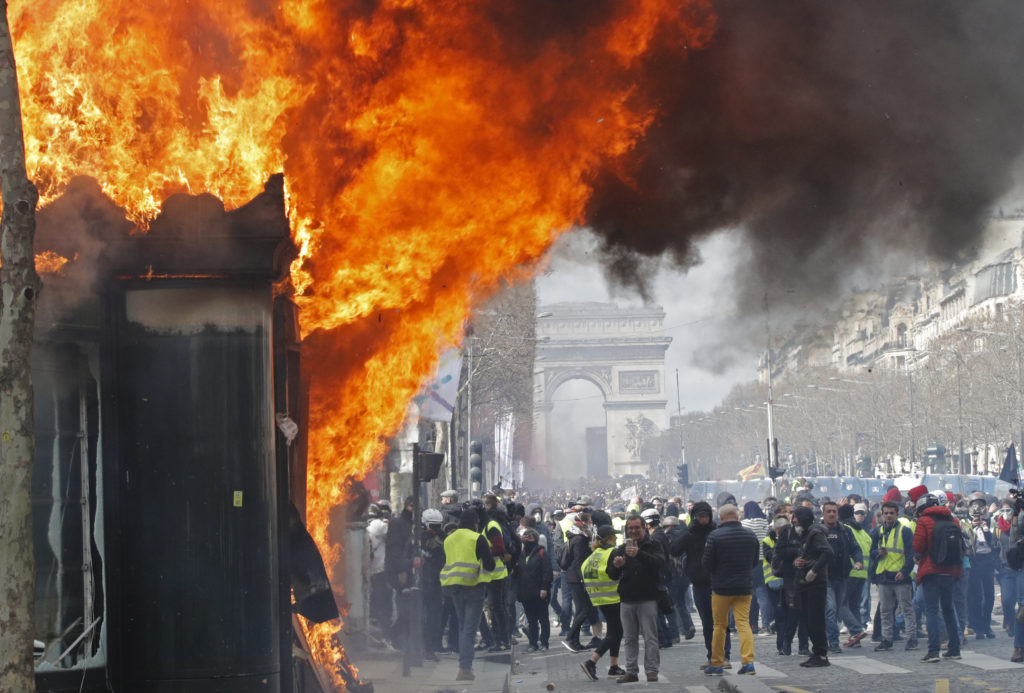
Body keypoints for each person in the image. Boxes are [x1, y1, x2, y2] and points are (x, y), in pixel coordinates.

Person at [606, 513, 666, 683]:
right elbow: (611, 574)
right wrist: (616, 567)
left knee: (650, 638)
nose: (633, 531)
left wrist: (639, 554)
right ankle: (631, 671)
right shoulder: (621, 548)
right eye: (630, 528)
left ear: (644, 527)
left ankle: (652, 671)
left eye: (636, 528)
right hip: (627, 599)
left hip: (648, 598)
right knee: (630, 638)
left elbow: (660, 563)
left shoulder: (653, 544)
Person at [701, 504, 760, 676]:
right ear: (737, 516)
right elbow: (754, 562)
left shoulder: (715, 536)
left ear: (722, 517)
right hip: (744, 587)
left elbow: (707, 563)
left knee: (719, 626)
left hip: (721, 588)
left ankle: (717, 664)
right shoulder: (750, 535)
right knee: (743, 623)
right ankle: (748, 662)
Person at [670, 501, 731, 668]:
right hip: (698, 583)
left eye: (705, 516)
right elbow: (674, 549)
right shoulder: (690, 533)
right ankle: (712, 655)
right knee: (706, 622)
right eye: (699, 516)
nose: (703, 519)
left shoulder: (716, 531)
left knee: (720, 621)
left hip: (717, 582)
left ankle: (725, 655)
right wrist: (688, 530)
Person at [440, 508, 496, 681]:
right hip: (473, 586)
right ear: (475, 522)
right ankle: (464, 668)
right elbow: (490, 564)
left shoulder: (449, 539)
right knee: (470, 628)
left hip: (453, 588)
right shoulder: (477, 538)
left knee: (463, 625)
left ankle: (464, 664)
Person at [912, 490, 963, 663]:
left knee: (932, 610)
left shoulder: (924, 521)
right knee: (949, 609)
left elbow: (918, 547)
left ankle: (933, 651)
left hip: (931, 570)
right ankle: (955, 649)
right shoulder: (953, 519)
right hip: (951, 571)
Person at [869, 500, 917, 651]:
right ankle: (886, 638)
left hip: (900, 577)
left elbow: (911, 555)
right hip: (884, 576)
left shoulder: (905, 531)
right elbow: (871, 552)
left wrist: (904, 571)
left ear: (897, 514)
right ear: (882, 515)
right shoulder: (878, 531)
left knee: (906, 609)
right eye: (886, 513)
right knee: (885, 610)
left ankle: (911, 639)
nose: (888, 516)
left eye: (891, 513)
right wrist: (878, 553)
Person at [580, 526, 626, 680]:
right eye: (614, 536)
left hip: (600, 599)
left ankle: (614, 666)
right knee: (615, 633)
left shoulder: (594, 555)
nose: (617, 539)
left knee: (614, 632)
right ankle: (591, 662)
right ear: (608, 538)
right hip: (614, 597)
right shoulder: (612, 552)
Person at [820, 500, 864, 653]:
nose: (832, 514)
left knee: (839, 609)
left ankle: (851, 632)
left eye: (834, 511)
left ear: (837, 514)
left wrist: (858, 561)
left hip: (843, 576)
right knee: (831, 609)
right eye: (829, 511)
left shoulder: (845, 530)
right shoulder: (818, 530)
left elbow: (855, 548)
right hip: (824, 578)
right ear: (823, 513)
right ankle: (833, 641)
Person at [793, 505, 834, 668]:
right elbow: (809, 554)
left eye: (795, 517)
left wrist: (814, 570)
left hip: (816, 583)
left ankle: (821, 654)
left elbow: (828, 552)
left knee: (815, 620)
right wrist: (798, 562)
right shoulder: (805, 534)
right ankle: (816, 652)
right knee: (809, 619)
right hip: (806, 584)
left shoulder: (814, 533)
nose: (793, 521)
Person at [560, 511, 600, 651]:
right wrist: (584, 580)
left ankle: (575, 642)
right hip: (578, 579)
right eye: (588, 521)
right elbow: (579, 562)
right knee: (583, 610)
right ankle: (571, 637)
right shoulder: (579, 539)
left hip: (575, 577)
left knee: (581, 610)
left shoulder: (576, 537)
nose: (590, 524)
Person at [516, 527, 552, 652]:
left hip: (539, 592)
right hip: (526, 593)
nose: (528, 539)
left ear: (536, 539)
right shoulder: (520, 554)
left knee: (543, 618)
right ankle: (533, 643)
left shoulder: (542, 553)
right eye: (526, 537)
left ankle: (544, 642)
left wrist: (545, 588)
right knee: (531, 620)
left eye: (530, 537)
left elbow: (547, 572)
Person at [741, 501, 771, 634]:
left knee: (750, 597)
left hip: (748, 564)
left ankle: (752, 624)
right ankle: (766, 624)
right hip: (763, 564)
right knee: (763, 595)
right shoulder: (766, 524)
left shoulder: (744, 525)